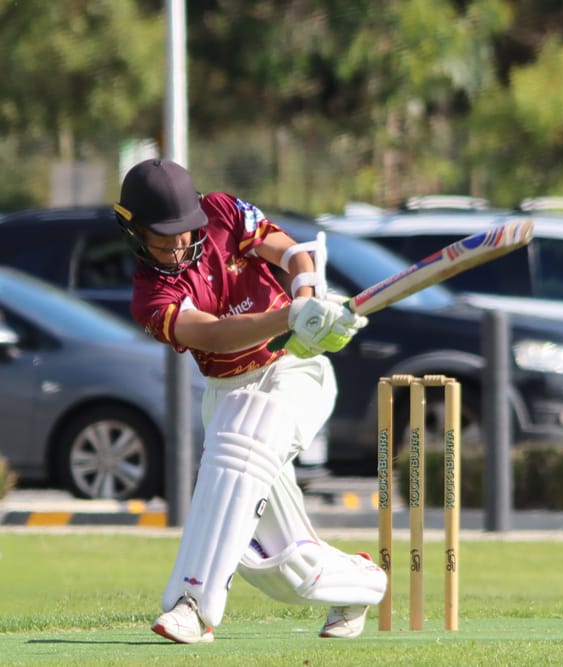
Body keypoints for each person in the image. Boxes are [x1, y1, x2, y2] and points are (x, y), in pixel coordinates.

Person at [114, 158, 387, 644]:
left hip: (294, 370)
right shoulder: (150, 295)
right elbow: (216, 337)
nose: (179, 246)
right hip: (227, 390)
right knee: (279, 564)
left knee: (245, 437)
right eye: (163, 238)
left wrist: (307, 294)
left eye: (184, 232)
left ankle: (192, 605)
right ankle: (361, 583)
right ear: (133, 231)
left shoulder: (221, 212)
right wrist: (289, 315)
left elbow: (294, 254)